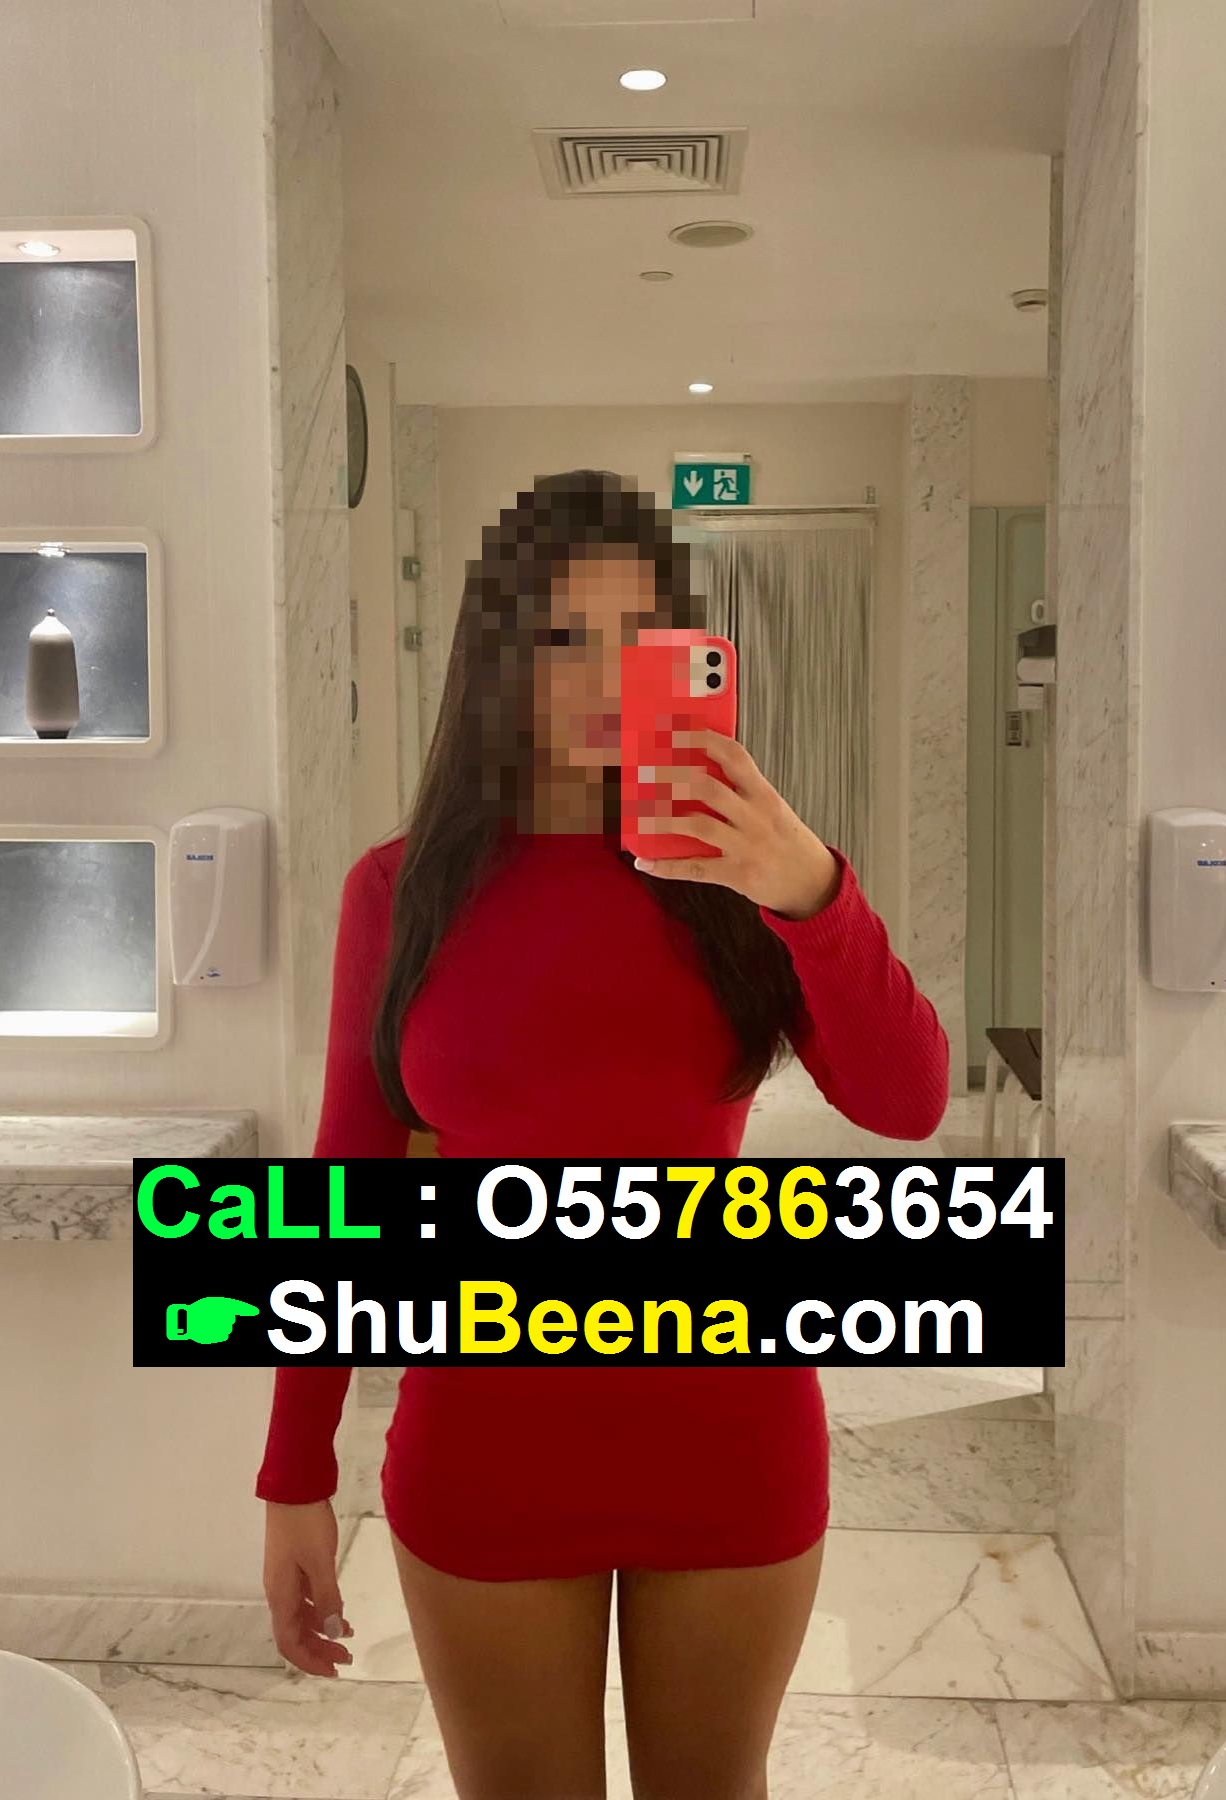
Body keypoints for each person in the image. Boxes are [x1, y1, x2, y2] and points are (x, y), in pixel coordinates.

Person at [256, 469, 950, 1800]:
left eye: (635, 639)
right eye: (560, 635)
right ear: (496, 654)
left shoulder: (741, 871)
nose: (593, 677)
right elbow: (346, 1186)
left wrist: (810, 889)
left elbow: (909, 1099)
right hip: (486, 1446)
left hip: (728, 1431)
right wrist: (295, 1472)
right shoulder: (397, 892)